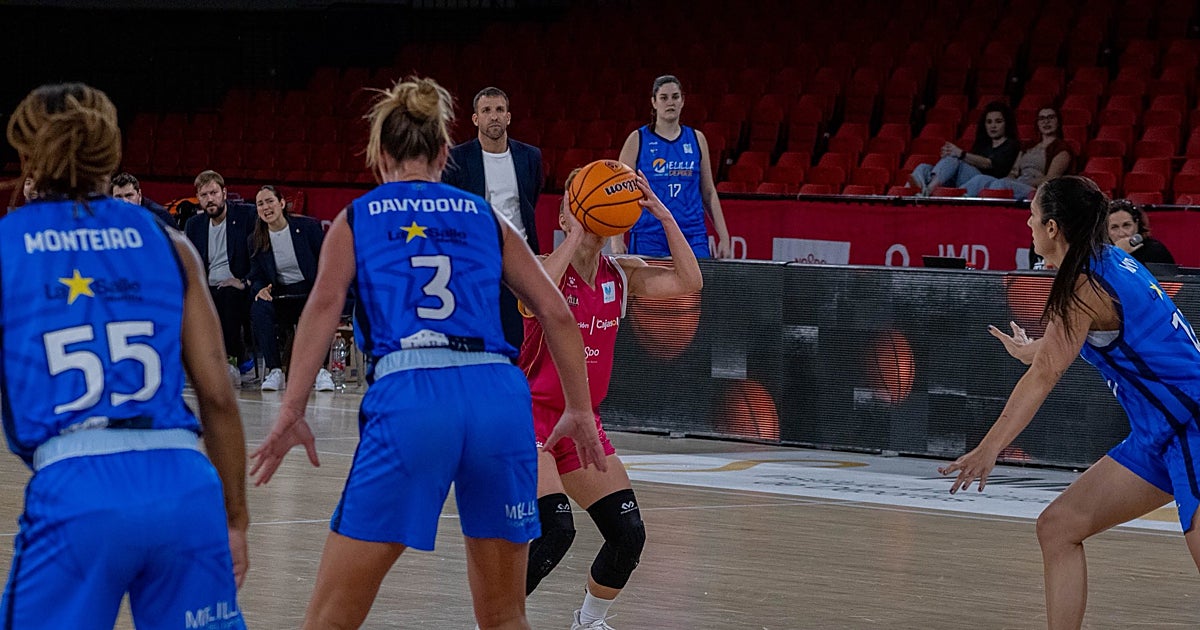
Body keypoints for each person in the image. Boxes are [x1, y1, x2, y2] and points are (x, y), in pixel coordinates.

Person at [249, 76, 607, 630]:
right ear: (445, 153)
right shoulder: (487, 217)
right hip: (497, 396)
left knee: (330, 618)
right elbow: (557, 312)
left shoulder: (358, 216)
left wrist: (293, 408)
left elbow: (321, 310)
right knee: (506, 617)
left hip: (414, 394)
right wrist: (580, 410)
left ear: (378, 155)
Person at [0, 82, 248, 628]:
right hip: (184, 482)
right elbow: (217, 395)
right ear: (108, 153)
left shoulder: (8, 243)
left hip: (77, 485)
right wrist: (234, 520)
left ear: (28, 154)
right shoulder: (171, 243)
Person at [940, 175, 1200, 630]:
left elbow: (1046, 375)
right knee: (1058, 528)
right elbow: (1060, 348)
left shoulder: (1084, 286)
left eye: (1034, 214)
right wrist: (1031, 349)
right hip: (1159, 433)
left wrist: (989, 448)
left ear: (1054, 227)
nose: (1028, 221)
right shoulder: (1104, 261)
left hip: (1192, 428)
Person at [520, 168, 703, 629]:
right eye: (570, 205)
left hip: (581, 424)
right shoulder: (543, 266)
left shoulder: (621, 275)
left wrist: (662, 215)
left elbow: (690, 281)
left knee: (628, 535)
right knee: (556, 532)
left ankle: (588, 620)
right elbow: (532, 298)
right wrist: (575, 232)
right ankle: (496, 618)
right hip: (528, 420)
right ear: (563, 216)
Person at [443, 86, 544, 351]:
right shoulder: (457, 159)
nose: (494, 116)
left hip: (519, 261)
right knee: (475, 337)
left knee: (517, 339)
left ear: (508, 116)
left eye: (499, 110)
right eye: (486, 111)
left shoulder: (530, 157)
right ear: (476, 119)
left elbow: (531, 198)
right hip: (474, 261)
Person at [613, 74, 730, 259]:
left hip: (691, 234)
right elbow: (620, 192)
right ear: (653, 102)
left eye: (675, 97)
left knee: (695, 288)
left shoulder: (697, 139)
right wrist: (616, 239)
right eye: (664, 97)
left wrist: (724, 237)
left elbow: (708, 192)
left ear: (683, 101)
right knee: (652, 289)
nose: (670, 102)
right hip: (649, 235)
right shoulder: (637, 140)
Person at [247, 184, 336, 392]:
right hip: (280, 294)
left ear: (281, 203)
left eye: (270, 201)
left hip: (309, 292)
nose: (266, 207)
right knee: (259, 307)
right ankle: (275, 370)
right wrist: (260, 288)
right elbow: (255, 274)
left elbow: (326, 260)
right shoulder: (255, 240)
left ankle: (321, 371)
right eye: (260, 204)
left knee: (321, 308)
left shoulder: (308, 227)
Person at [183, 169, 257, 387]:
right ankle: (226, 363)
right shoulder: (194, 225)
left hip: (238, 286)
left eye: (213, 193)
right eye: (204, 195)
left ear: (224, 193)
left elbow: (259, 255)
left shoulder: (246, 216)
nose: (210, 199)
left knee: (228, 295)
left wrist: (244, 281)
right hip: (207, 287)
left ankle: (231, 361)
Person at [909, 101, 1020, 195]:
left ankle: (927, 191)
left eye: (998, 122)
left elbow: (989, 163)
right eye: (989, 122)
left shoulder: (1010, 145)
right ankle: (912, 195)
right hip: (966, 179)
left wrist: (960, 154)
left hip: (986, 182)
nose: (993, 126)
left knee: (954, 158)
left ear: (1006, 123)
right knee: (923, 168)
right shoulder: (983, 143)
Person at [964, 106, 1074, 199]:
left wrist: (1023, 182)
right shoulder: (1028, 146)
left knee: (1001, 184)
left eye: (1051, 117)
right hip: (1019, 182)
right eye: (1042, 118)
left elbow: (1050, 179)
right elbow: (1014, 171)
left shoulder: (1061, 148)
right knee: (981, 179)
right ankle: (956, 205)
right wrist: (1011, 177)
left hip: (1038, 190)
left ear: (1058, 121)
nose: (1046, 122)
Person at [1106, 198, 1176, 265]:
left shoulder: (1155, 251)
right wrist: (1117, 254)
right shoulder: (1100, 254)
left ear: (1136, 225)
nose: (1121, 233)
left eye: (1126, 225)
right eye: (1114, 227)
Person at [111, 171, 177, 227]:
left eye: (129, 195)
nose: (124, 201)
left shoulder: (159, 215)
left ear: (139, 195)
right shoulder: (107, 215)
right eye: (118, 197)